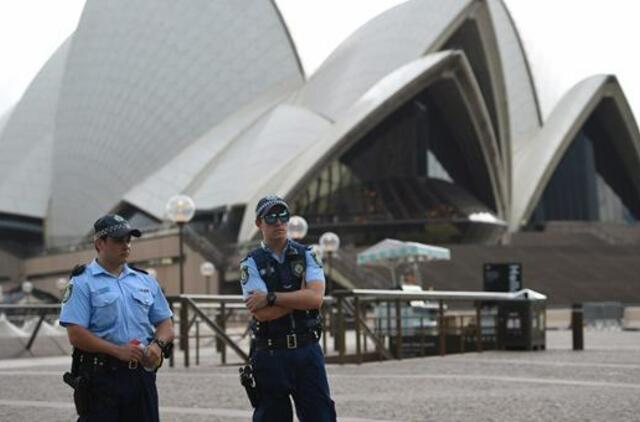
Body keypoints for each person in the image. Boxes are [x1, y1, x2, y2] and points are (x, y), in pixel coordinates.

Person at [59, 214, 174, 421]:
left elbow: (165, 323)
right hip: (101, 378)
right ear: (99, 243)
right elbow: (75, 334)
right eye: (118, 240)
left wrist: (157, 345)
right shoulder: (82, 282)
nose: (126, 245)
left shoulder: (145, 281)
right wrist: (117, 351)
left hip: (141, 376)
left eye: (128, 240)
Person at [241, 194, 337, 422]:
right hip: (270, 353)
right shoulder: (250, 262)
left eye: (283, 215)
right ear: (258, 223)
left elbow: (315, 299)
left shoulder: (308, 254)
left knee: (320, 416)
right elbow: (261, 314)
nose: (278, 222)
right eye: (271, 216)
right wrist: (299, 297)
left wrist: (271, 297)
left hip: (307, 350)